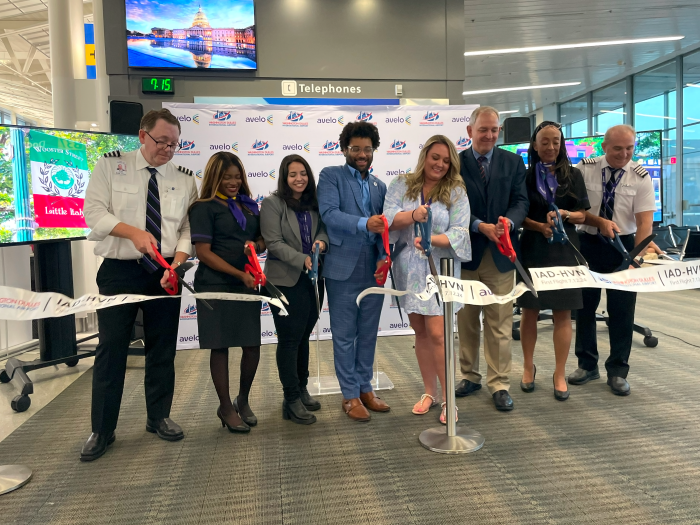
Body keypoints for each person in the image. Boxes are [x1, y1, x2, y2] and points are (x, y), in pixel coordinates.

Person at [81, 109, 198, 461]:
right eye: (162, 141)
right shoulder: (110, 165)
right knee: (111, 349)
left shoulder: (186, 178)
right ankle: (102, 429)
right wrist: (133, 232)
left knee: (161, 349)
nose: (168, 149)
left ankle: (158, 417)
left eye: (175, 144)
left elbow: (187, 231)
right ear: (142, 135)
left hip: (165, 272)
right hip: (120, 271)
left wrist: (176, 265)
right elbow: (94, 213)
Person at [383, 135, 471, 423]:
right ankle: (429, 392)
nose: (440, 164)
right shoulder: (401, 184)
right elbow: (388, 219)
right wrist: (412, 214)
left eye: (446, 161)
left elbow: (460, 231)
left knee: (438, 334)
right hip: (408, 268)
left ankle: (449, 399)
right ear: (424, 156)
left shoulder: (456, 190)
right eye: (436, 157)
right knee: (420, 332)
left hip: (440, 268)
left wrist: (431, 239)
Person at [569, 124, 656, 396]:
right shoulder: (585, 168)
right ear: (604, 146)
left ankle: (618, 370)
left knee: (622, 311)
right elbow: (576, 210)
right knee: (584, 308)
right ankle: (587, 364)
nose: (624, 153)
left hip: (624, 247)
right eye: (618, 148)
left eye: (630, 148)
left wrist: (635, 258)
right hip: (588, 244)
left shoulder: (641, 177)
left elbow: (645, 224)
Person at [455, 106, 529, 411]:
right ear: (470, 130)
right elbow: (449, 204)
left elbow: (521, 200)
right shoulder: (454, 163)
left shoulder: (513, 162)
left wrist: (508, 222)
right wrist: (477, 224)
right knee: (468, 320)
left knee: (499, 322)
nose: (489, 135)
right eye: (483, 129)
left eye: (494, 130)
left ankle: (499, 383)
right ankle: (469, 376)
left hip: (501, 254)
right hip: (466, 253)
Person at [317, 121, 389, 422]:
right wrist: (364, 224)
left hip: (372, 268)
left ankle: (365, 388)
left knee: (368, 333)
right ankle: (349, 395)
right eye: (356, 148)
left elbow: (386, 228)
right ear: (344, 149)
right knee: (345, 335)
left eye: (367, 149)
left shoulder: (380, 186)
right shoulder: (330, 176)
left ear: (374, 151)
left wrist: (384, 257)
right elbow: (330, 215)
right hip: (342, 268)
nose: (362, 154)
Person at [189, 152, 266, 433]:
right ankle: (224, 406)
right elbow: (203, 253)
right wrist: (239, 274)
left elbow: (261, 238)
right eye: (226, 177)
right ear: (214, 177)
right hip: (215, 285)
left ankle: (242, 400)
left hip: (248, 283)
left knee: (251, 345)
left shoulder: (249, 206)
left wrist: (256, 247)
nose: (233, 182)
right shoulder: (203, 208)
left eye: (237, 176)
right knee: (220, 346)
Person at [517, 122, 590, 401]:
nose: (550, 147)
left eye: (556, 142)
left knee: (563, 313)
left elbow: (583, 214)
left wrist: (564, 215)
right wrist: (539, 226)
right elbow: (518, 215)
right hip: (534, 248)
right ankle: (527, 367)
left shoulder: (573, 175)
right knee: (530, 311)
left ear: (561, 144)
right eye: (544, 142)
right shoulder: (523, 177)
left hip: (565, 250)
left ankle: (559, 373)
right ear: (535, 145)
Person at [260, 154, 329, 425]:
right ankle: (290, 399)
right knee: (289, 340)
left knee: (303, 336)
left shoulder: (313, 204)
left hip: (313, 279)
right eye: (292, 174)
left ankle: (301, 388)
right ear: (284, 177)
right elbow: (273, 242)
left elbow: (323, 230)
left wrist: (321, 244)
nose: (299, 179)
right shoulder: (272, 203)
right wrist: (302, 259)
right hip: (284, 280)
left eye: (303, 173)